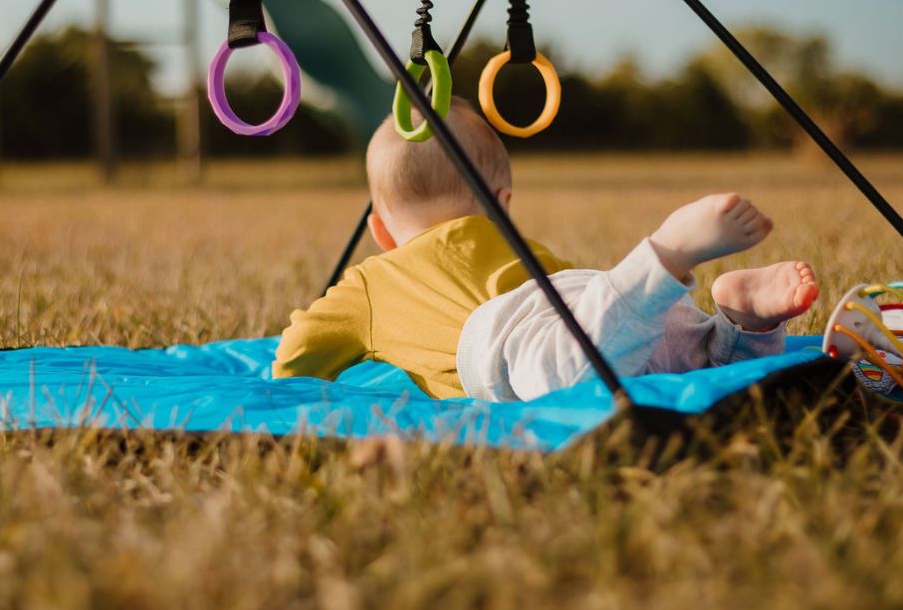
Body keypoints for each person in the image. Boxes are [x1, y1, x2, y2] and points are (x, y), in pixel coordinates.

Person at [273, 99, 819, 401]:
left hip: (501, 341)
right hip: (582, 293)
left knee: (568, 372)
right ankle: (741, 321)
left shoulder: (372, 280)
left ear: (380, 232)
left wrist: (295, 372)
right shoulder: (522, 247)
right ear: (502, 204)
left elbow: (298, 351)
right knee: (684, 352)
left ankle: (666, 255)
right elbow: (585, 302)